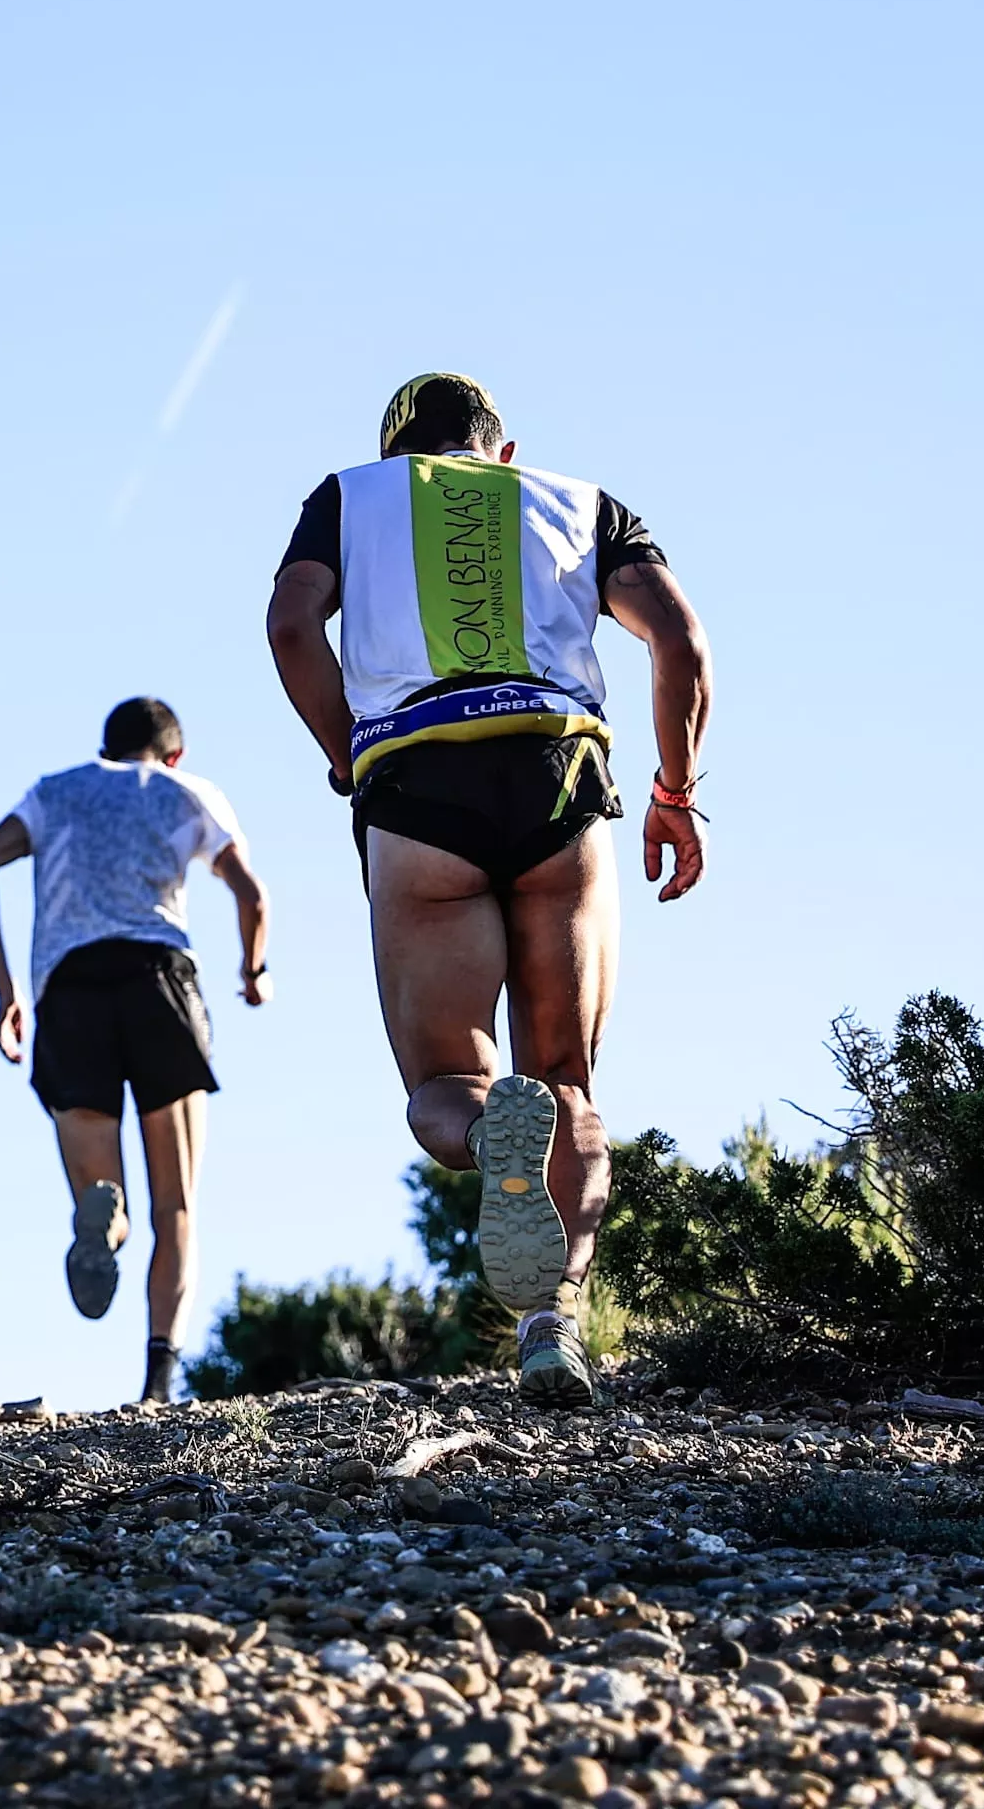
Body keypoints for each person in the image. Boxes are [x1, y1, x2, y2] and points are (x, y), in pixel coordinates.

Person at [267, 374, 711, 1406]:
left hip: (417, 782)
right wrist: (674, 792)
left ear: (396, 456)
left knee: (442, 1083)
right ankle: (552, 1324)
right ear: (501, 451)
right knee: (564, 1081)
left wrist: (353, 761)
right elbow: (679, 641)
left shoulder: (351, 495)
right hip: (555, 772)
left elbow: (290, 627)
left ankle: (481, 1135)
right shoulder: (580, 502)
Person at [0, 696, 271, 1404]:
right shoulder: (188, 791)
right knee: (178, 1208)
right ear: (174, 754)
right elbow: (250, 894)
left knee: (105, 1194)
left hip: (69, 993)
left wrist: (7, 988)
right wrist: (253, 970)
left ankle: (105, 1215)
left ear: (103, 748)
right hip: (159, 984)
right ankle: (158, 1381)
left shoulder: (55, 791)